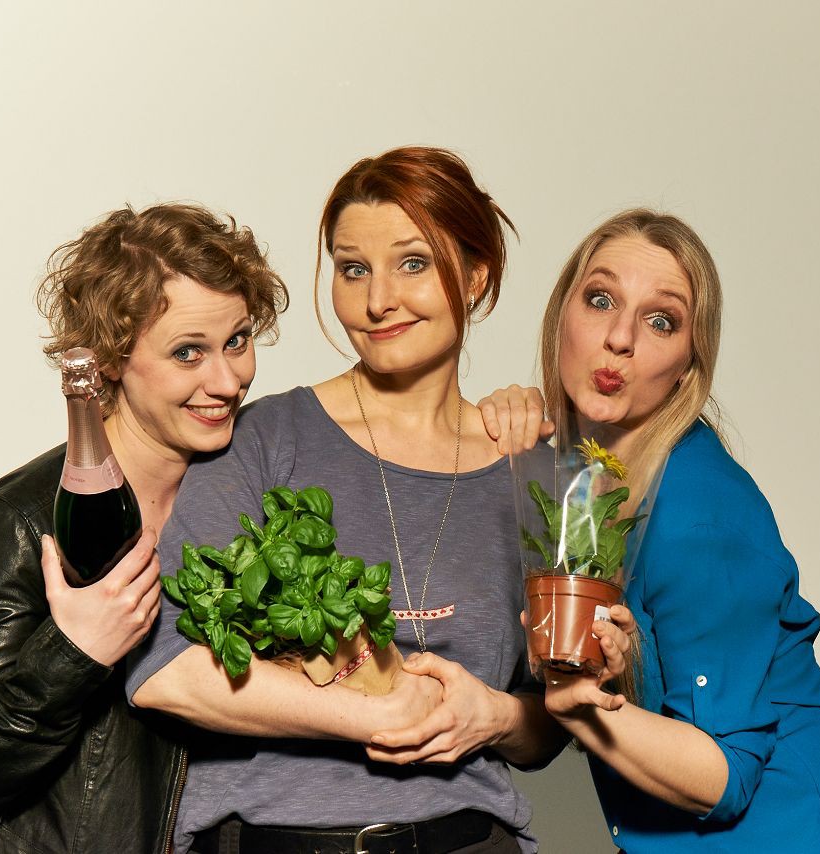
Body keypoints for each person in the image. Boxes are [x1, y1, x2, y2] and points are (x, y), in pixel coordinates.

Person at [128, 146, 566, 854]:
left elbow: (550, 722)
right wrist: (372, 715)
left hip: (468, 839)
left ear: (477, 273)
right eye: (353, 267)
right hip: (275, 840)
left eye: (412, 263)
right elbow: (167, 674)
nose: (378, 299)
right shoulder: (263, 441)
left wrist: (491, 717)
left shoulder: (530, 474)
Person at [480, 209, 820, 852]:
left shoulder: (700, 512)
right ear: (561, 314)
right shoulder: (576, 483)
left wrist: (583, 708)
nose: (620, 337)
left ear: (688, 364)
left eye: (660, 320)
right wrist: (510, 418)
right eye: (600, 299)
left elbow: (723, 778)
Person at [0, 203, 288, 853]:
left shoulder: (253, 503)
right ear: (111, 359)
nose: (227, 381)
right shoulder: (24, 523)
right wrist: (72, 653)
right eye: (187, 353)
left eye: (238, 340)